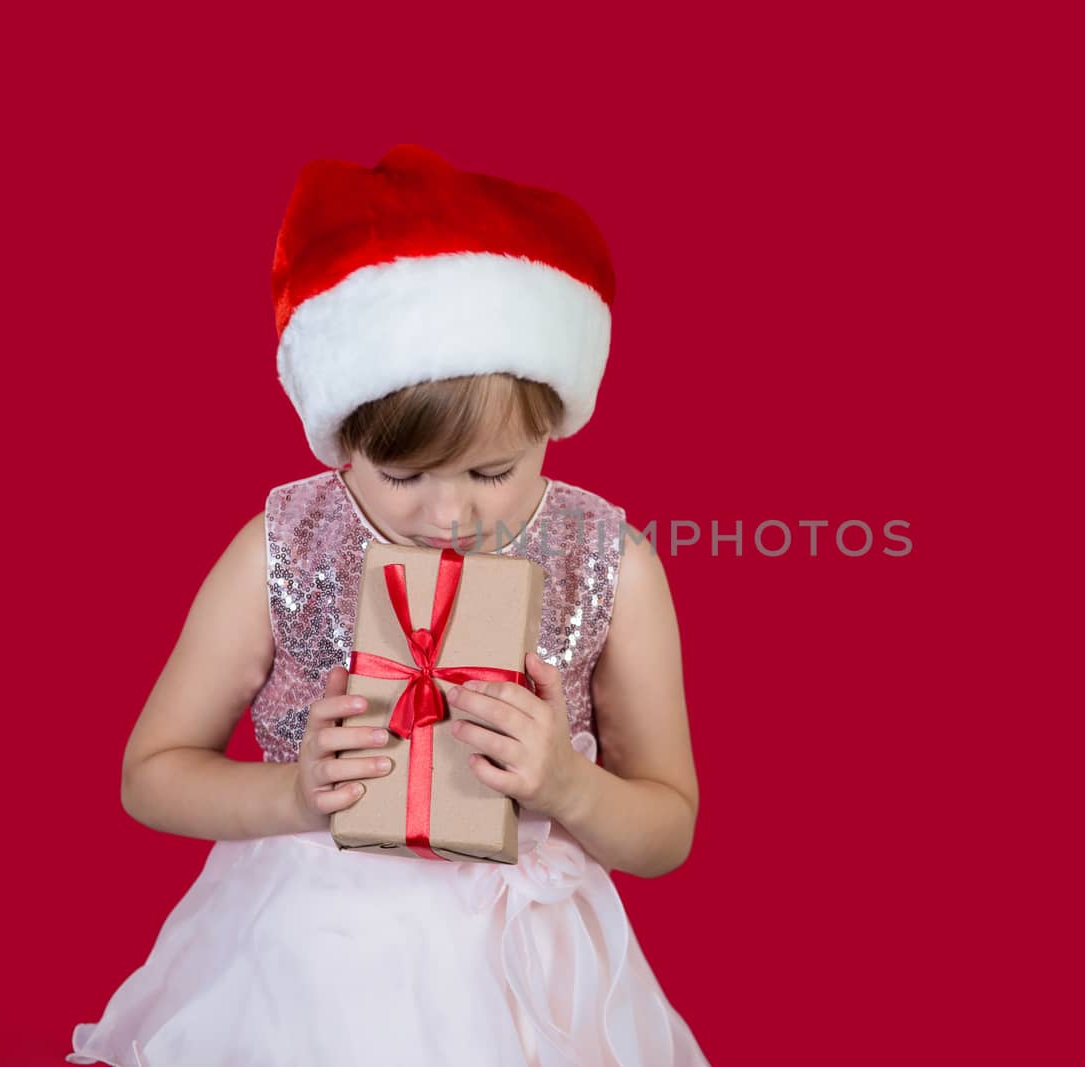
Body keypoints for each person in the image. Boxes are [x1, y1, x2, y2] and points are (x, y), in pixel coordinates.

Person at [68, 144, 709, 1067]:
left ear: (552, 426)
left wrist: (565, 783)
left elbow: (667, 827)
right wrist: (291, 792)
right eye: (404, 476)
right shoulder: (282, 546)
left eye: (494, 470)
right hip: (314, 967)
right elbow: (152, 773)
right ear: (340, 443)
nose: (452, 514)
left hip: (531, 977)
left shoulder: (612, 562)